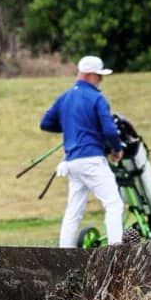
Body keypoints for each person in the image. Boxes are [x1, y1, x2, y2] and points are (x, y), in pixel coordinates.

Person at [39, 55, 125, 248]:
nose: (101, 79)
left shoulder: (65, 97)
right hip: (92, 159)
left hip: (72, 162)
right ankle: (116, 249)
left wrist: (71, 127)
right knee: (113, 203)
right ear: (89, 75)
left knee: (73, 211)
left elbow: (46, 123)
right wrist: (117, 149)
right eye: (99, 75)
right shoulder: (97, 98)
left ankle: (64, 253)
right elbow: (110, 130)